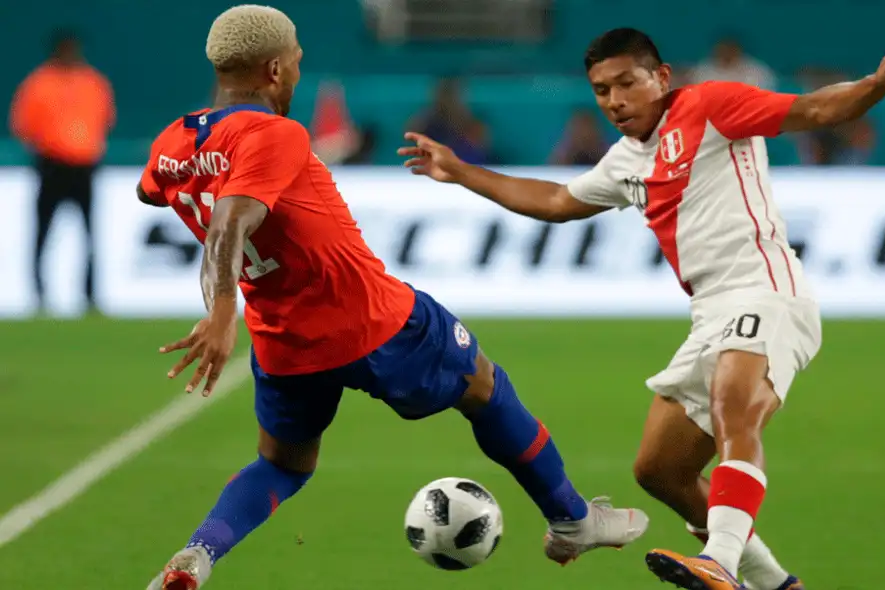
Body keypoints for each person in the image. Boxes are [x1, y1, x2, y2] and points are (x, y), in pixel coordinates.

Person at [138, 7, 647, 589]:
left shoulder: (173, 141)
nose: (302, 67)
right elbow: (231, 218)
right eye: (299, 58)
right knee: (483, 386)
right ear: (275, 68)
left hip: (285, 342)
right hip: (372, 317)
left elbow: (151, 189)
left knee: (282, 465)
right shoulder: (275, 133)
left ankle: (197, 556)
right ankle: (572, 520)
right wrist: (222, 311)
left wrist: (204, 173)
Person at [399, 27, 885, 590]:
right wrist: (459, 172)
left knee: (734, 405)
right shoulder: (627, 160)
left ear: (662, 77)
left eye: (627, 83)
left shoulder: (712, 105)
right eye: (602, 90)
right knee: (660, 470)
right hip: (710, 315)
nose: (615, 101)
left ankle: (719, 562)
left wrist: (876, 84)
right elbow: (556, 201)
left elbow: (817, 110)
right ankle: (774, 584)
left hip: (767, 291)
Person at [9, 29, 115, 313]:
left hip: (84, 166)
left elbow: (104, 119)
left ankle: (90, 296)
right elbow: (23, 125)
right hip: (52, 165)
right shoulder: (39, 84)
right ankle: (39, 295)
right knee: (43, 233)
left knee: (89, 234)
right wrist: (50, 144)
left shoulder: (93, 82)